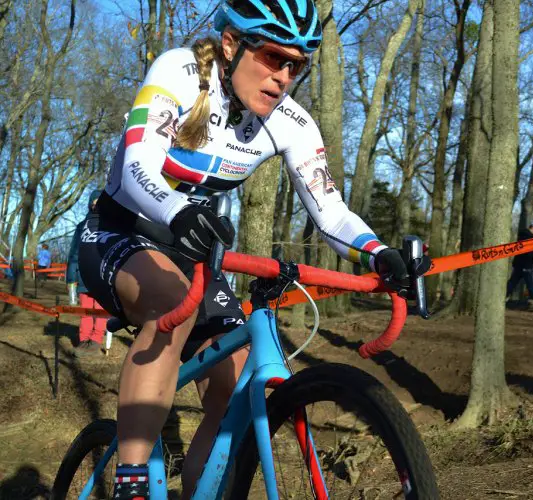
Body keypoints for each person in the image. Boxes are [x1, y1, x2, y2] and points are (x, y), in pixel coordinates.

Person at [77, 1, 429, 498]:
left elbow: (330, 212)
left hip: (195, 253)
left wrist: (378, 253)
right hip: (120, 230)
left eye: (296, 65)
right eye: (271, 57)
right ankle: (131, 482)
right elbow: (138, 166)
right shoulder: (178, 74)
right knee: (166, 302)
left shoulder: (292, 123)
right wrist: (177, 210)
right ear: (229, 45)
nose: (283, 75)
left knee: (235, 384)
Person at [67, 190, 107, 357]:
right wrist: (71, 279)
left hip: (103, 279)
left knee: (100, 312)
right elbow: (74, 254)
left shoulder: (112, 226)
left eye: (100, 201)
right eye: (94, 201)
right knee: (85, 312)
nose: (96, 204)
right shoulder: (81, 227)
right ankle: (84, 341)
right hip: (84, 278)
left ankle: (96, 342)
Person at [506, 221, 533, 301]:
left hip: (520, 264)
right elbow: (528, 251)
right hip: (526, 264)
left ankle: (502, 296)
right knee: (531, 283)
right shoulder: (527, 236)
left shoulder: (525, 235)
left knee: (512, 283)